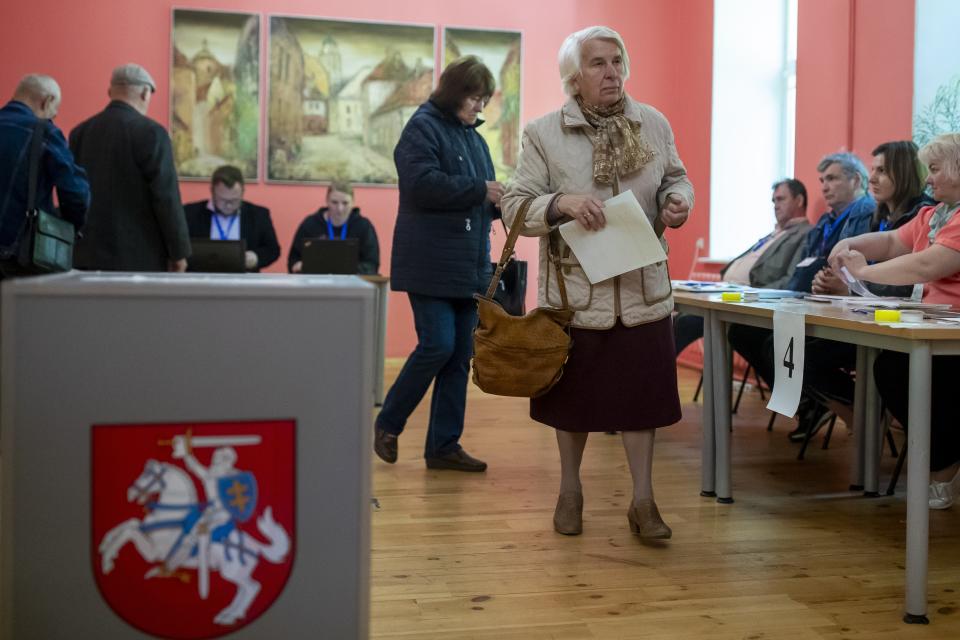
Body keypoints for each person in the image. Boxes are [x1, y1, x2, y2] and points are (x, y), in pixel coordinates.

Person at [501, 26, 694, 539]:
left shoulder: (651, 122)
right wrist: (561, 203)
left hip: (641, 286)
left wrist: (679, 201)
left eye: (617, 61)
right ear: (574, 77)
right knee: (574, 403)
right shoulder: (544, 133)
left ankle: (644, 502)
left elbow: (676, 176)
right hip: (576, 294)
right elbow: (515, 206)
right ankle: (570, 490)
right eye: (597, 64)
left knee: (641, 402)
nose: (611, 72)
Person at [372, 56, 504, 472]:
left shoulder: (475, 140)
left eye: (484, 99)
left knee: (459, 355)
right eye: (474, 97)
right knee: (438, 346)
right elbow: (422, 185)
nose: (480, 106)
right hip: (428, 263)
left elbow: (480, 201)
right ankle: (388, 423)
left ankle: (444, 446)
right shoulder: (422, 127)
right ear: (454, 92)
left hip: (467, 266)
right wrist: (481, 190)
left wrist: (506, 202)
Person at [831, 132, 960, 509]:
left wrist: (866, 272)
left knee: (910, 371)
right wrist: (852, 245)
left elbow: (928, 263)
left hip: (952, 335)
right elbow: (891, 242)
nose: (928, 179)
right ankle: (943, 461)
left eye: (934, 169)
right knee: (890, 366)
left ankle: (942, 464)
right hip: (933, 325)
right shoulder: (933, 215)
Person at [727, 152, 875, 439]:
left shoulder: (864, 213)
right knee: (742, 333)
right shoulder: (825, 222)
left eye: (831, 178)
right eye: (822, 180)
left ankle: (852, 410)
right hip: (807, 304)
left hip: (841, 313)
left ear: (856, 179)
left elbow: (849, 270)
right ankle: (810, 402)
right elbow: (804, 268)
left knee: (780, 345)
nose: (824, 186)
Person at [801, 141, 934, 432]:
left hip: (897, 326)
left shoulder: (925, 215)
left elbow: (910, 284)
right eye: (872, 170)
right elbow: (861, 269)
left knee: (802, 354)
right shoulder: (879, 217)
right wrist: (830, 280)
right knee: (791, 348)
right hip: (868, 321)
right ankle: (865, 420)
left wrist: (848, 288)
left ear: (906, 173)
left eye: (882, 171)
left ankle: (867, 423)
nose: (872, 178)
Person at [69, 63, 191, 272]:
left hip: (85, 255)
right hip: (138, 258)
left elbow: (72, 194)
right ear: (144, 93)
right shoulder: (152, 133)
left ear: (110, 92)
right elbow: (166, 197)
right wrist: (178, 253)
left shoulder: (80, 133)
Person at [674, 179, 809, 356]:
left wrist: (752, 294)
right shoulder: (772, 234)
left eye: (781, 199)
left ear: (799, 200)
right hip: (726, 293)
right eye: (773, 201)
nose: (775, 205)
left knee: (685, 323)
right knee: (679, 318)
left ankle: (657, 377)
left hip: (749, 300)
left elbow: (791, 280)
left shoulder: (806, 233)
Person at [0, 74, 88, 276]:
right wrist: (69, 227)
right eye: (53, 113)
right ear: (47, 101)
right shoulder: (44, 132)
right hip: (18, 256)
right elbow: (75, 193)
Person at [184, 165, 280, 271]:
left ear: (243, 192)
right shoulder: (189, 213)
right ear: (212, 191)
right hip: (199, 280)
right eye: (223, 200)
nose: (228, 206)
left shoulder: (258, 215)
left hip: (244, 281)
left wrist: (255, 257)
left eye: (234, 200)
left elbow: (273, 250)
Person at [288, 181, 379, 275]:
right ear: (327, 201)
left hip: (352, 284)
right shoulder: (310, 224)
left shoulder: (363, 226)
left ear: (353, 202)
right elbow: (293, 260)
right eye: (334, 202)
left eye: (345, 203)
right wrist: (298, 265)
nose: (340, 208)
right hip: (316, 283)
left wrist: (343, 269)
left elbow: (372, 264)